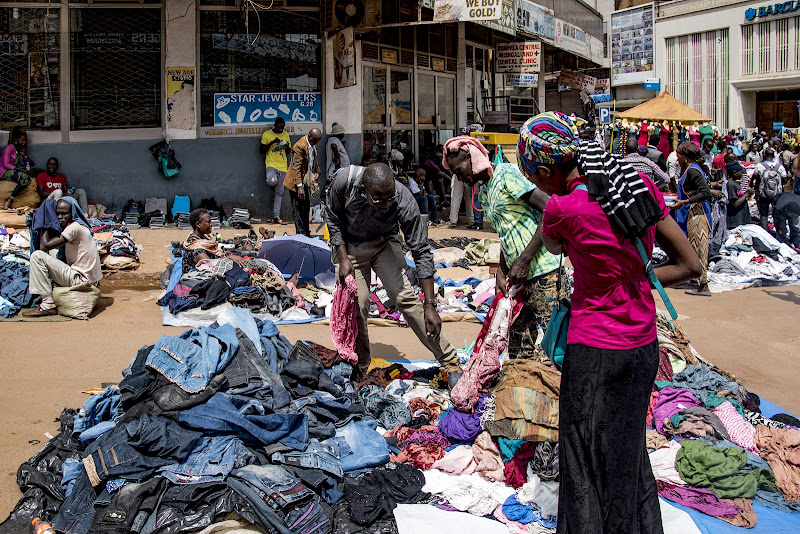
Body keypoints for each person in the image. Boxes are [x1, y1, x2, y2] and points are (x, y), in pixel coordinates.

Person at [517, 111, 700, 534]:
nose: (539, 187)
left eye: (537, 178)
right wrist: (633, 280)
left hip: (594, 351)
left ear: (547, 170)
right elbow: (690, 264)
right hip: (641, 348)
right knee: (628, 454)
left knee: (581, 460)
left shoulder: (563, 209)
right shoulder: (640, 188)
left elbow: (551, 242)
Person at [325, 163, 460, 384]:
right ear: (363, 190)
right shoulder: (344, 182)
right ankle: (360, 365)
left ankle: (451, 361)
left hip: (384, 244)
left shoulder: (404, 200)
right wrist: (342, 257)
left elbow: (420, 249)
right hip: (350, 247)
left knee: (404, 298)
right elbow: (333, 217)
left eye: (390, 198)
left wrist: (430, 304)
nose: (386, 204)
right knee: (358, 303)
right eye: (378, 199)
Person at [444, 136, 563, 359]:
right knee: (519, 347)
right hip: (518, 280)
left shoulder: (506, 174)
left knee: (557, 344)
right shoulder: (486, 190)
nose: (458, 177)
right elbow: (505, 231)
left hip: (544, 273)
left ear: (473, 159)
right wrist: (501, 269)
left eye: (459, 170)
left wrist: (524, 259)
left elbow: (548, 210)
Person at [23, 199, 103, 317]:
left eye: (64, 214)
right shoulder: (80, 227)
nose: (60, 217)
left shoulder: (74, 228)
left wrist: (45, 222)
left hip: (80, 279)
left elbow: (44, 246)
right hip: (89, 279)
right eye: (57, 214)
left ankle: (47, 304)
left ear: (73, 214)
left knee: (37, 256)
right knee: (54, 252)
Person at [672, 141, 714, 296]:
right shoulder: (690, 169)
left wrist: (684, 202)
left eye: (679, 156)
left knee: (699, 248)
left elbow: (705, 192)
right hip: (692, 213)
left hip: (698, 214)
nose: (678, 160)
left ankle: (703, 285)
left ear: (685, 156)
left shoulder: (693, 171)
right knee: (694, 247)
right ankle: (695, 279)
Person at [182, 208, 246, 274]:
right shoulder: (194, 247)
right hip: (196, 279)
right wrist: (230, 258)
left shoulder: (205, 238)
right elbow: (210, 265)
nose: (211, 224)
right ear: (198, 225)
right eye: (208, 222)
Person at [284, 128, 322, 236]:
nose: (315, 143)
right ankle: (300, 233)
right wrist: (299, 187)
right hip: (296, 183)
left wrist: (317, 172)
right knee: (298, 210)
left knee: (305, 209)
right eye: (314, 140)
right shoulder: (299, 146)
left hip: (304, 181)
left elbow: (314, 161)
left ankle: (306, 232)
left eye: (317, 141)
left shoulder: (312, 145)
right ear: (309, 136)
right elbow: (295, 168)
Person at [260, 118, 291, 225]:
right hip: (271, 164)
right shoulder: (267, 134)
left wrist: (286, 146)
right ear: (275, 125)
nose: (280, 129)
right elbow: (261, 150)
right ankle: (273, 184)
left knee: (279, 193)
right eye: (278, 127)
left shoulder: (286, 135)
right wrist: (273, 142)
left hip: (283, 166)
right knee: (272, 181)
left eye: (282, 127)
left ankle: (276, 217)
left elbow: (288, 152)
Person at [754, 147, 787, 230]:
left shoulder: (760, 166)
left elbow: (756, 177)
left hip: (763, 194)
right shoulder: (780, 167)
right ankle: (779, 233)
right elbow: (785, 179)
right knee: (777, 213)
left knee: (764, 214)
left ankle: (765, 233)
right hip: (777, 194)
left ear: (764, 155)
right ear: (774, 156)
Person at [1, 126, 34, 209]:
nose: (24, 142)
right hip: (5, 171)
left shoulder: (22, 150)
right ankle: (10, 199)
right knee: (25, 178)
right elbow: (6, 164)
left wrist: (30, 169)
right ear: (16, 140)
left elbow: (26, 161)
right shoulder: (9, 148)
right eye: (22, 140)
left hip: (17, 170)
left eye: (25, 140)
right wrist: (20, 170)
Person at [726, 161, 754, 230]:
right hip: (736, 220)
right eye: (741, 172)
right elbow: (735, 204)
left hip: (741, 218)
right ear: (734, 173)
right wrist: (747, 194)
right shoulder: (731, 185)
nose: (742, 174)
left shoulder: (735, 184)